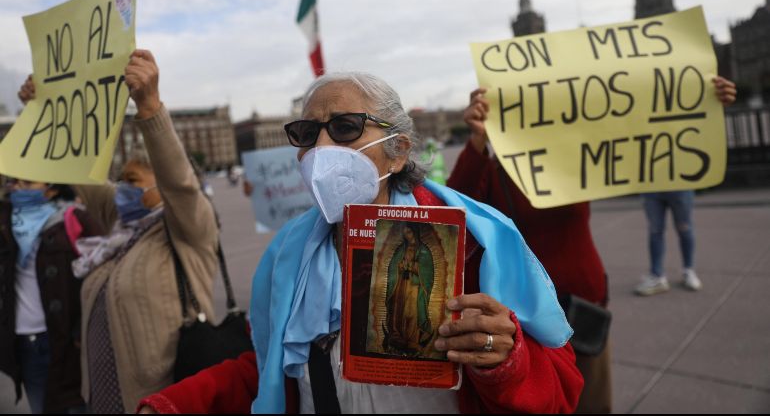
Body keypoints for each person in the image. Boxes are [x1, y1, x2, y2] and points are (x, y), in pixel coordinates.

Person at [138, 72, 583, 414]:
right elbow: (273, 367)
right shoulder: (286, 258)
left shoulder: (472, 243)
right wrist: (172, 405)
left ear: (399, 149)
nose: (322, 147)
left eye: (346, 127)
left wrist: (506, 361)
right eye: (307, 134)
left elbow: (561, 389)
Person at [17, 50, 220, 412]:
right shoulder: (119, 229)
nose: (122, 188)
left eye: (133, 180)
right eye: (120, 180)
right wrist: (41, 111)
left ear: (163, 187)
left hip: (161, 405)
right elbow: (77, 170)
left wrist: (149, 106)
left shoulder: (189, 230)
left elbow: (180, 183)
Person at [447, 87, 612, 413]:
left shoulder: (577, 157)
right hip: (524, 311)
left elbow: (637, 129)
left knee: (592, 403)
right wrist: (478, 140)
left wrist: (705, 103)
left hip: (583, 300)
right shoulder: (496, 170)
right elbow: (455, 210)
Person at [0, 180, 102, 414]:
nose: (17, 188)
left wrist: (81, 330)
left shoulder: (74, 219)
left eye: (26, 183)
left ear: (52, 188)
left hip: (69, 343)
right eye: (14, 181)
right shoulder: (6, 221)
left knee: (77, 407)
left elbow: (101, 274)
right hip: (25, 343)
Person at [635, 76, 738, 296]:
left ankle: (687, 270)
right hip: (651, 179)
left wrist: (715, 98)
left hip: (678, 178)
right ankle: (657, 274)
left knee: (684, 227)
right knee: (656, 231)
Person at [384, 223, 434, 355]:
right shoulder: (402, 249)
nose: (408, 237)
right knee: (398, 310)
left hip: (414, 287)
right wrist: (399, 267)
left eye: (410, 233)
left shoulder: (423, 251)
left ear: (415, 232)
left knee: (411, 312)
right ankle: (397, 337)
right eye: (405, 234)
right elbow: (393, 266)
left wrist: (412, 267)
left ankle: (412, 340)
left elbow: (427, 271)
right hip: (400, 284)